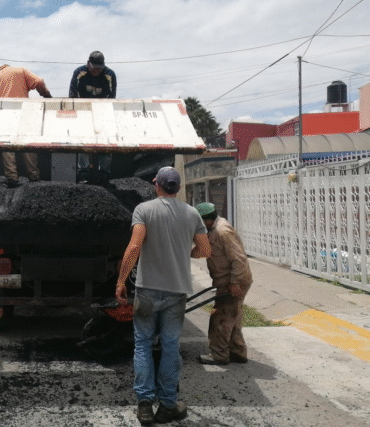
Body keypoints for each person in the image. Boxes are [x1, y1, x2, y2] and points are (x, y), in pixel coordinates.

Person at [115, 167, 211, 425]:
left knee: (143, 344)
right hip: (176, 291)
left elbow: (135, 246)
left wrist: (121, 280)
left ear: (156, 185)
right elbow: (204, 250)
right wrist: (185, 254)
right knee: (170, 346)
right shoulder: (192, 214)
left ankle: (145, 406)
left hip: (147, 291)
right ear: (177, 188)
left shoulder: (144, 210)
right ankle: (168, 404)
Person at [195, 202, 254, 366]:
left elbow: (239, 259)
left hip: (233, 281)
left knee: (220, 319)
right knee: (232, 318)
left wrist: (235, 283)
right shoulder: (214, 229)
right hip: (228, 280)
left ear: (206, 220)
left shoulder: (222, 231)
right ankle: (237, 352)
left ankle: (219, 355)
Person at [0, 64, 52, 188]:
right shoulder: (20, 70)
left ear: (0, 69)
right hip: (23, 110)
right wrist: (46, 95)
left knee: (7, 145)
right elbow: (39, 81)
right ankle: (33, 176)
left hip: (5, 113)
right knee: (26, 142)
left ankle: (12, 177)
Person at [69, 51, 117, 185]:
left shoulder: (110, 74)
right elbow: (72, 94)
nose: (96, 71)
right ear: (88, 64)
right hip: (83, 111)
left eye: (99, 68)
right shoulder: (79, 72)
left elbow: (112, 96)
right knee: (83, 141)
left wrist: (106, 114)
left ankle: (104, 175)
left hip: (103, 112)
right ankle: (83, 173)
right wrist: (76, 113)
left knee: (106, 141)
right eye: (94, 67)